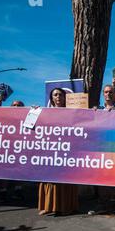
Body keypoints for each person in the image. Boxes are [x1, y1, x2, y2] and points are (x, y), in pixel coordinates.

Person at [89, 84, 115, 216]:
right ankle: (103, 205)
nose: (108, 94)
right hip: (102, 151)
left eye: (111, 92)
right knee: (102, 179)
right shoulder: (98, 110)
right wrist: (93, 113)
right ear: (103, 94)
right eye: (106, 92)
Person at [38, 88, 79, 216]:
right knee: (49, 179)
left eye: (60, 95)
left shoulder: (73, 113)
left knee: (65, 179)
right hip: (50, 150)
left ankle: (67, 207)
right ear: (51, 98)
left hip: (67, 150)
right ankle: (47, 206)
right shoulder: (45, 112)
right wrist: (34, 111)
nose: (58, 97)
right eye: (55, 95)